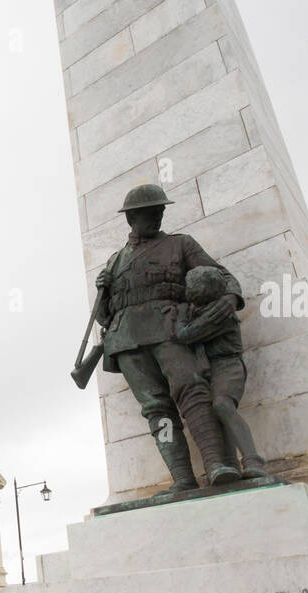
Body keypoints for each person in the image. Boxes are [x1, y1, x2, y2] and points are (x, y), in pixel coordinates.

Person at [91, 184, 245, 496]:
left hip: (170, 328)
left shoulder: (180, 244)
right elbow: (104, 317)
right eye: (151, 213)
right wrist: (102, 292)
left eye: (160, 211)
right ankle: (183, 478)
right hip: (126, 341)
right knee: (156, 410)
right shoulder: (114, 261)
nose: (158, 216)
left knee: (193, 392)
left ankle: (217, 465)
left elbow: (221, 275)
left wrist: (231, 297)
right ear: (132, 218)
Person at [174, 266, 269, 479]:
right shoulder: (200, 310)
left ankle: (253, 461)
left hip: (228, 365)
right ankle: (231, 465)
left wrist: (180, 315)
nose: (186, 289)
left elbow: (185, 335)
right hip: (212, 368)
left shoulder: (219, 314)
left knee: (222, 405)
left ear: (200, 290)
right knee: (218, 413)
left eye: (190, 286)